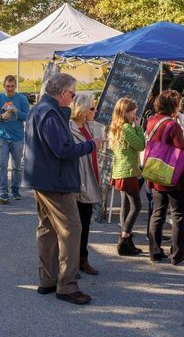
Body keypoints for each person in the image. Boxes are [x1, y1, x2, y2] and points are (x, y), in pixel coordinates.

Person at [24, 73, 102, 306]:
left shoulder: (42, 110)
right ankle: (66, 285)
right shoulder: (49, 113)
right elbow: (63, 149)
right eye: (72, 93)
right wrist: (90, 145)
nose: (73, 98)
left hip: (43, 178)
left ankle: (48, 280)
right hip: (54, 181)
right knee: (71, 229)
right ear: (62, 93)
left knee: (47, 230)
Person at [145, 90, 184, 265]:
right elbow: (180, 151)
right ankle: (177, 254)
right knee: (178, 215)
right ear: (173, 105)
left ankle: (154, 252)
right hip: (173, 175)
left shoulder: (151, 121)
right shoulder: (173, 126)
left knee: (157, 213)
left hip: (156, 172)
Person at [69, 92, 103, 274]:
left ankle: (82, 259)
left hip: (90, 179)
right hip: (78, 181)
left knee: (86, 222)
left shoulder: (90, 126)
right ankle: (72, 263)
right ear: (82, 111)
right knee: (76, 225)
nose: (95, 111)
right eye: (92, 108)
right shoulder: (70, 128)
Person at [108, 97, 146, 256]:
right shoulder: (127, 128)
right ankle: (124, 239)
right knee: (137, 206)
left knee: (126, 206)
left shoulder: (115, 128)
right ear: (125, 113)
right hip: (128, 171)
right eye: (133, 113)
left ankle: (127, 239)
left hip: (119, 170)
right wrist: (138, 127)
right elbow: (141, 145)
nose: (134, 116)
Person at [0, 75, 30, 203]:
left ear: (15, 86)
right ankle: (3, 192)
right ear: (3, 86)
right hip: (2, 138)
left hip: (17, 138)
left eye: (12, 86)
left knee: (17, 166)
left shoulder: (22, 99)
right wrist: (1, 116)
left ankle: (15, 189)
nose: (10, 88)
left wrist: (17, 111)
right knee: (2, 165)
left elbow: (28, 117)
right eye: (7, 86)